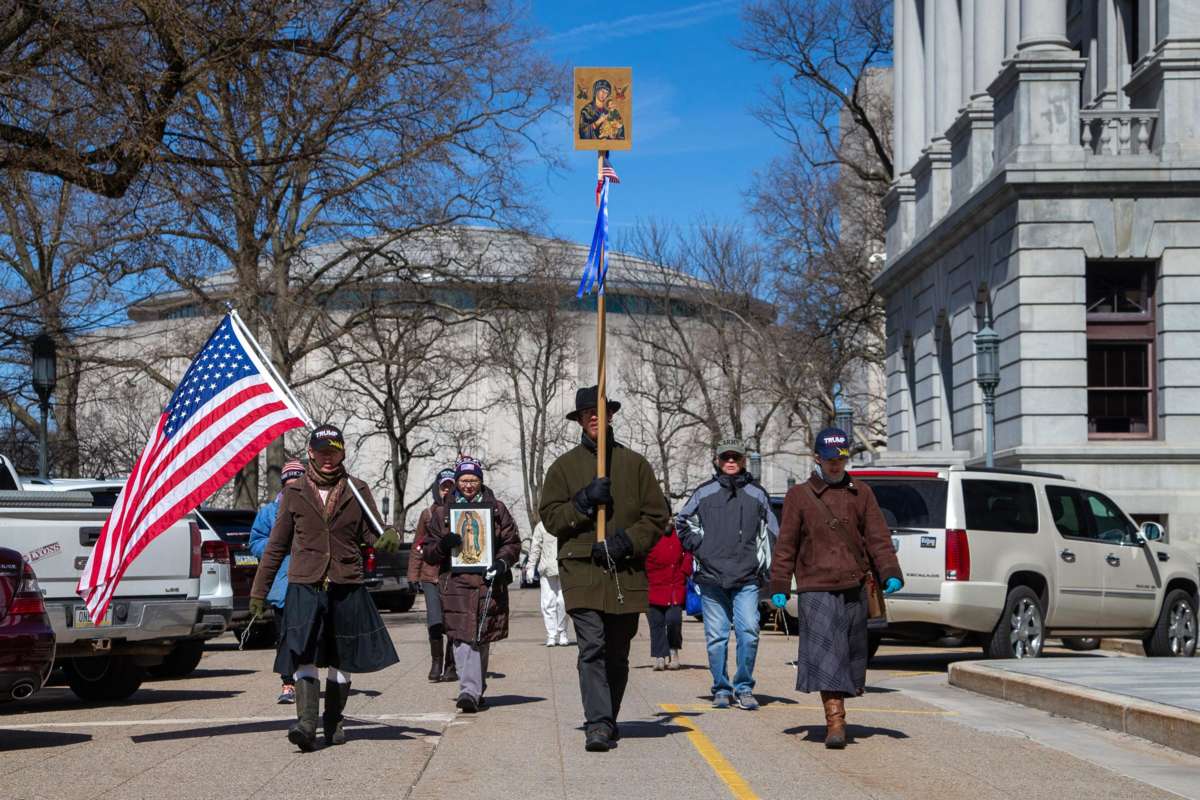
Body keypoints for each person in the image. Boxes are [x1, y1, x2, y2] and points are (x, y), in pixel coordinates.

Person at [250, 424, 402, 751]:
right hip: (306, 584)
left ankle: (334, 720)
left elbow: (372, 533)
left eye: (334, 452)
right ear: (310, 453)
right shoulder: (295, 492)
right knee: (304, 652)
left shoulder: (357, 489)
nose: (328, 459)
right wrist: (258, 593)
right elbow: (276, 546)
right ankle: (306, 724)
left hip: (345, 583)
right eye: (322, 452)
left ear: (342, 452)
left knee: (341, 656)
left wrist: (391, 536)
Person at [539, 384, 670, 752]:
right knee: (591, 646)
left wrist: (626, 541)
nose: (594, 418)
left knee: (617, 651)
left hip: (624, 571)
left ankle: (607, 716)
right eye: (587, 413)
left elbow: (657, 516)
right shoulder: (563, 467)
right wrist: (582, 502)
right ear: (580, 420)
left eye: (600, 412)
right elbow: (550, 517)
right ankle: (597, 723)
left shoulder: (635, 465)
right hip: (582, 568)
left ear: (611, 416)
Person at [768, 427, 904, 749]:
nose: (835, 465)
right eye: (829, 459)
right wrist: (780, 583)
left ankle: (840, 705)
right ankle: (835, 721)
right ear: (817, 458)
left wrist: (889, 571)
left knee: (852, 655)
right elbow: (786, 544)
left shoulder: (862, 493)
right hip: (816, 586)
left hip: (853, 584)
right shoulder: (799, 496)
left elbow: (877, 538)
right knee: (828, 654)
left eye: (840, 459)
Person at [676, 438, 777, 711]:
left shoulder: (758, 494)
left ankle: (743, 687)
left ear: (743, 460)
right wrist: (701, 547)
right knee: (717, 637)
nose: (730, 461)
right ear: (718, 461)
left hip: (747, 579)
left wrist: (770, 571)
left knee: (748, 632)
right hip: (711, 579)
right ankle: (721, 688)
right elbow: (680, 522)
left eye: (735, 457)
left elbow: (773, 533)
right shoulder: (703, 492)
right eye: (725, 457)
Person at [421, 456, 521, 713]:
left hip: (488, 583)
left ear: (480, 481)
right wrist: (443, 545)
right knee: (462, 637)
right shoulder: (442, 512)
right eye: (464, 480)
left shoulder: (497, 509)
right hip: (455, 583)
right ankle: (468, 690)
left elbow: (512, 542)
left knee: (481, 637)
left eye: (473, 480)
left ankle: (476, 688)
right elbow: (429, 551)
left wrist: (501, 562)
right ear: (456, 482)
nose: (468, 485)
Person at [248, 458, 306, 703]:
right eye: (289, 484)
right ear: (283, 486)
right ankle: (288, 683)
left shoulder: (313, 509)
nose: (293, 488)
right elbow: (255, 543)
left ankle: (307, 679)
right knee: (284, 635)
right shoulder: (269, 512)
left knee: (308, 634)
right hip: (281, 586)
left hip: (310, 582)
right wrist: (277, 545)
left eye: (298, 483)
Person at [407, 468, 458, 682]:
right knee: (435, 620)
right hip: (430, 576)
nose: (446, 490)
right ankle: (436, 662)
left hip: (452, 576)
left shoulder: (460, 512)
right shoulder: (427, 515)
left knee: (453, 621)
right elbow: (418, 546)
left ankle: (451, 665)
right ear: (437, 489)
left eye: (450, 486)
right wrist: (412, 576)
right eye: (443, 486)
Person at [644, 523, 692, 671]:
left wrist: (684, 572)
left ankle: (673, 650)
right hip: (654, 585)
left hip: (674, 587)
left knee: (674, 620)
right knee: (656, 623)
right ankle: (659, 656)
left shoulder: (679, 535)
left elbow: (689, 553)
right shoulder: (649, 535)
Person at [526, 521, 569, 646]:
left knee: (563, 602)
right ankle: (551, 634)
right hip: (546, 568)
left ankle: (563, 632)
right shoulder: (541, 526)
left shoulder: (565, 520)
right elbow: (535, 547)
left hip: (565, 568)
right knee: (548, 603)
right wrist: (530, 566)